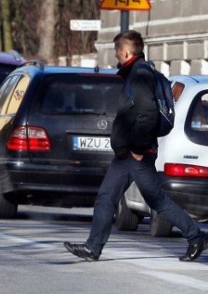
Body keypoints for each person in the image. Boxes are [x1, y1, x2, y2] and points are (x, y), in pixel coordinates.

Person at [64, 30, 207, 262]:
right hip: (130, 153)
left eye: (117, 52)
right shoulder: (141, 72)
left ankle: (195, 236)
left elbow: (148, 114)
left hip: (135, 154)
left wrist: (138, 149)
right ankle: (93, 247)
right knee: (117, 197)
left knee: (147, 199)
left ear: (126, 51)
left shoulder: (139, 76)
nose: (116, 56)